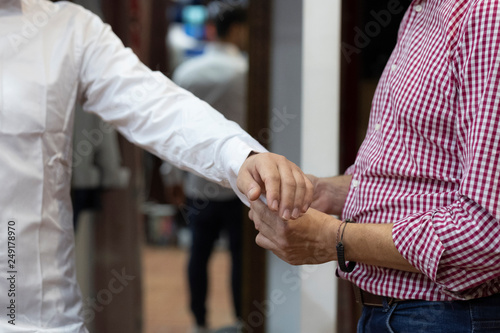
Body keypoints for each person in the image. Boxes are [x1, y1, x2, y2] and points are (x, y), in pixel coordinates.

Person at [0, 1, 313, 332]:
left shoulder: (67, 28)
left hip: (39, 316)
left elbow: (154, 104)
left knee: (204, 252)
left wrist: (240, 156)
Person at [249, 0, 500, 332]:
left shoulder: (485, 13)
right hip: (396, 312)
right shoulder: (421, 12)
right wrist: (327, 191)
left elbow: (487, 233)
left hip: (446, 314)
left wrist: (333, 239)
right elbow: (425, 172)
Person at [167, 4, 249, 332]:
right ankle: (243, 320)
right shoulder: (247, 71)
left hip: (198, 184)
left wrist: (171, 177)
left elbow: (173, 133)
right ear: (238, 29)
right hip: (241, 186)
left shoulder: (187, 72)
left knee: (198, 255)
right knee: (241, 258)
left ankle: (199, 323)